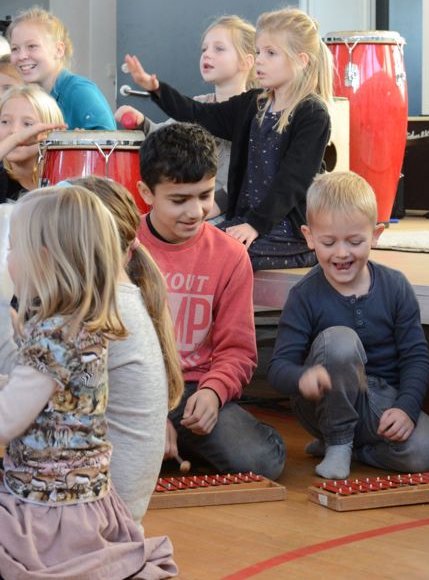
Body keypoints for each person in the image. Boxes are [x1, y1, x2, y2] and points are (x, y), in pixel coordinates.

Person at [0, 186, 176, 578]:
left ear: (43, 260)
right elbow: (41, 396)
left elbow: (6, 422)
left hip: (53, 511)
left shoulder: (55, 335)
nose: (7, 260)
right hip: (92, 503)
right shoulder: (88, 323)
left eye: (12, 250)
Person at [123, 7, 332, 270]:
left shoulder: (312, 113)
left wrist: (255, 225)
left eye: (270, 53)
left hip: (285, 230)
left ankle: (304, 256)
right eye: (258, 52)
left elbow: (293, 181)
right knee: (192, 245)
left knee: (217, 256)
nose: (260, 61)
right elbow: (198, 113)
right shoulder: (253, 104)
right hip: (245, 221)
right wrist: (156, 89)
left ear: (301, 60)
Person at [268, 172, 429, 479]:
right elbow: (279, 366)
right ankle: (337, 441)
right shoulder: (304, 294)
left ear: (375, 234)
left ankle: (357, 449)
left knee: (425, 451)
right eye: (328, 242)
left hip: (379, 404)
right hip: (324, 406)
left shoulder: (396, 286)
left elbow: (416, 357)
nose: (341, 253)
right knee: (340, 341)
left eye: (354, 241)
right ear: (309, 237)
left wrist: (405, 408)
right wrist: (301, 377)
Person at [136, 121, 285, 480]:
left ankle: (174, 440)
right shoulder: (121, 246)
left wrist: (214, 393)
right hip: (133, 389)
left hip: (192, 390)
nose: (195, 211)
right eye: (179, 200)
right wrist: (150, 414)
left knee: (263, 460)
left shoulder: (231, 256)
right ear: (146, 193)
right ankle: (162, 439)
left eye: (204, 196)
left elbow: (238, 350)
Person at [73, 175, 184, 523]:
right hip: (118, 511)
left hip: (98, 517)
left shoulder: (100, 316)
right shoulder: (122, 299)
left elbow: (22, 414)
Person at [116, 15, 257, 220]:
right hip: (193, 211)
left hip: (228, 215)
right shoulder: (200, 104)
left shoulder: (255, 112)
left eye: (219, 48)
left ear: (246, 61)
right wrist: (141, 122)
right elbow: (166, 137)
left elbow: (248, 175)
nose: (207, 54)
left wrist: (210, 209)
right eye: (204, 49)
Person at [6, 7, 116, 130]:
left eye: (32, 46)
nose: (21, 56)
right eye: (15, 49)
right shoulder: (27, 97)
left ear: (58, 50)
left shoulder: (79, 91)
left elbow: (108, 143)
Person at [0, 84, 65, 200]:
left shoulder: (61, 180)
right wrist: (15, 140)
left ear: (49, 131)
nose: (14, 131)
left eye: (27, 124)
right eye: (5, 122)